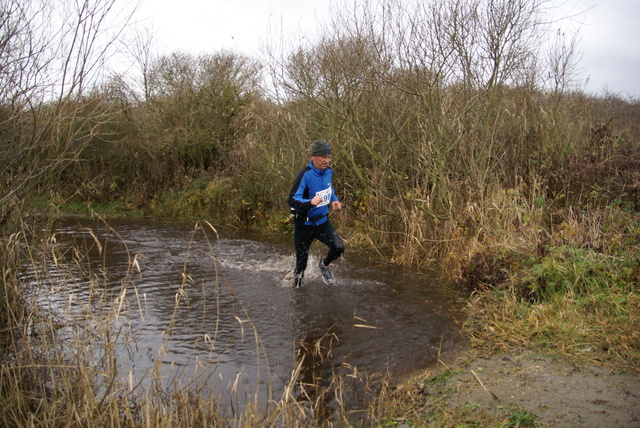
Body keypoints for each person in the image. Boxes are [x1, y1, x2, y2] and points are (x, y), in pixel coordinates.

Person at [287, 139, 344, 288]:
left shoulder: (329, 172)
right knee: (301, 264)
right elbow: (292, 200)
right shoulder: (304, 175)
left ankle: (324, 265)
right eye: (323, 157)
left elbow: (328, 189)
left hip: (321, 222)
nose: (326, 160)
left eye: (328, 157)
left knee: (339, 248)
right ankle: (297, 293)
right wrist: (309, 202)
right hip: (303, 224)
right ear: (313, 156)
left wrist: (334, 200)